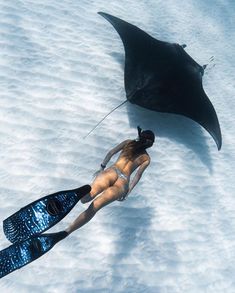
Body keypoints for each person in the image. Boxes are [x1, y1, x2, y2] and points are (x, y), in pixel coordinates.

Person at [65, 126, 155, 235]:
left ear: (140, 136)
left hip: (112, 171)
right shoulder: (146, 158)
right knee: (95, 207)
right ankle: (67, 231)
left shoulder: (128, 143)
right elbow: (137, 176)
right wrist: (128, 191)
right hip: (123, 181)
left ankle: (75, 195)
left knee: (86, 197)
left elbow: (110, 153)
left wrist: (102, 167)